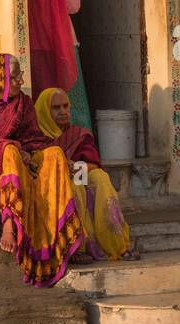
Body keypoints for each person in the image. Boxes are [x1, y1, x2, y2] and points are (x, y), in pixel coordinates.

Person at [0, 52, 86, 287]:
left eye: (20, 74)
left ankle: (65, 239)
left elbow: (35, 138)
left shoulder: (25, 103)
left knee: (54, 155)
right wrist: (15, 149)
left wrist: (29, 153)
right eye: (16, 75)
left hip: (24, 160)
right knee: (8, 149)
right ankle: (9, 224)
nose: (21, 80)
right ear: (0, 78)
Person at [36, 87, 138, 261]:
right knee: (75, 187)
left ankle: (117, 244)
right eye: (56, 107)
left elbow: (93, 164)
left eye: (65, 106)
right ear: (45, 111)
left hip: (76, 173)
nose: (63, 111)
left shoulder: (78, 134)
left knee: (100, 176)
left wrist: (74, 166)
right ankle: (77, 248)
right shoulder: (36, 136)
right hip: (51, 183)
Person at [27, 0, 92, 131]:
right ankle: (79, 137)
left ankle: (44, 134)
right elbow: (74, 5)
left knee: (42, 92)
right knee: (71, 93)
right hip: (62, 39)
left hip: (34, 41)